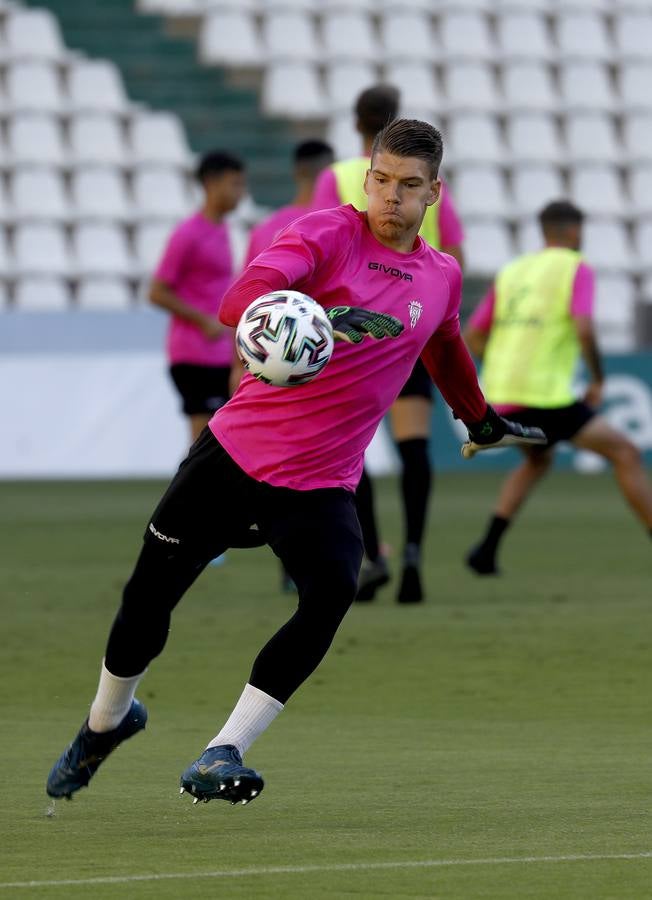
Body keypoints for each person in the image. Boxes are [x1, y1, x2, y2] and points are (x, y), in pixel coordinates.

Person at [46, 119, 544, 807]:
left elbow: (446, 344)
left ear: (434, 192)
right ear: (365, 176)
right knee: (147, 600)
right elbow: (234, 305)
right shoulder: (326, 234)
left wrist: (480, 419)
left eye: (408, 186)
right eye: (380, 180)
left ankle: (223, 751)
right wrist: (319, 319)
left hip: (319, 484)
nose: (389, 197)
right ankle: (106, 722)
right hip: (233, 457)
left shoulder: (441, 275)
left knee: (333, 590)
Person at [313, 85, 465, 605]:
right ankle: (415, 553)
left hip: (354, 330)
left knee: (350, 448)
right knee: (414, 446)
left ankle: (372, 557)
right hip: (418, 324)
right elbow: (456, 253)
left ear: (356, 122)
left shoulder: (337, 178)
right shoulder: (424, 183)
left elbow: (314, 244)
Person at [464, 200, 652, 576]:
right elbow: (583, 328)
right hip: (545, 395)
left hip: (503, 392)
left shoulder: (513, 270)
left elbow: (473, 335)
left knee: (538, 461)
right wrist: (598, 380)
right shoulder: (575, 268)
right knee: (625, 452)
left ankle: (485, 550)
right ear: (573, 231)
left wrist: (502, 369)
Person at [244, 138, 335, 592]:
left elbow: (249, 312)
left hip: (271, 365)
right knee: (317, 467)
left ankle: (285, 553)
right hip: (322, 368)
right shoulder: (338, 232)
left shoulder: (268, 228)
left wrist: (238, 365)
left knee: (276, 462)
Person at [149, 151, 247, 444]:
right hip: (195, 353)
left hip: (220, 354)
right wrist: (203, 320)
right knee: (205, 443)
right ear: (211, 184)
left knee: (218, 444)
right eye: (235, 184)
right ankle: (190, 492)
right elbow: (157, 291)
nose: (240, 193)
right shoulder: (188, 233)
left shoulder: (223, 230)